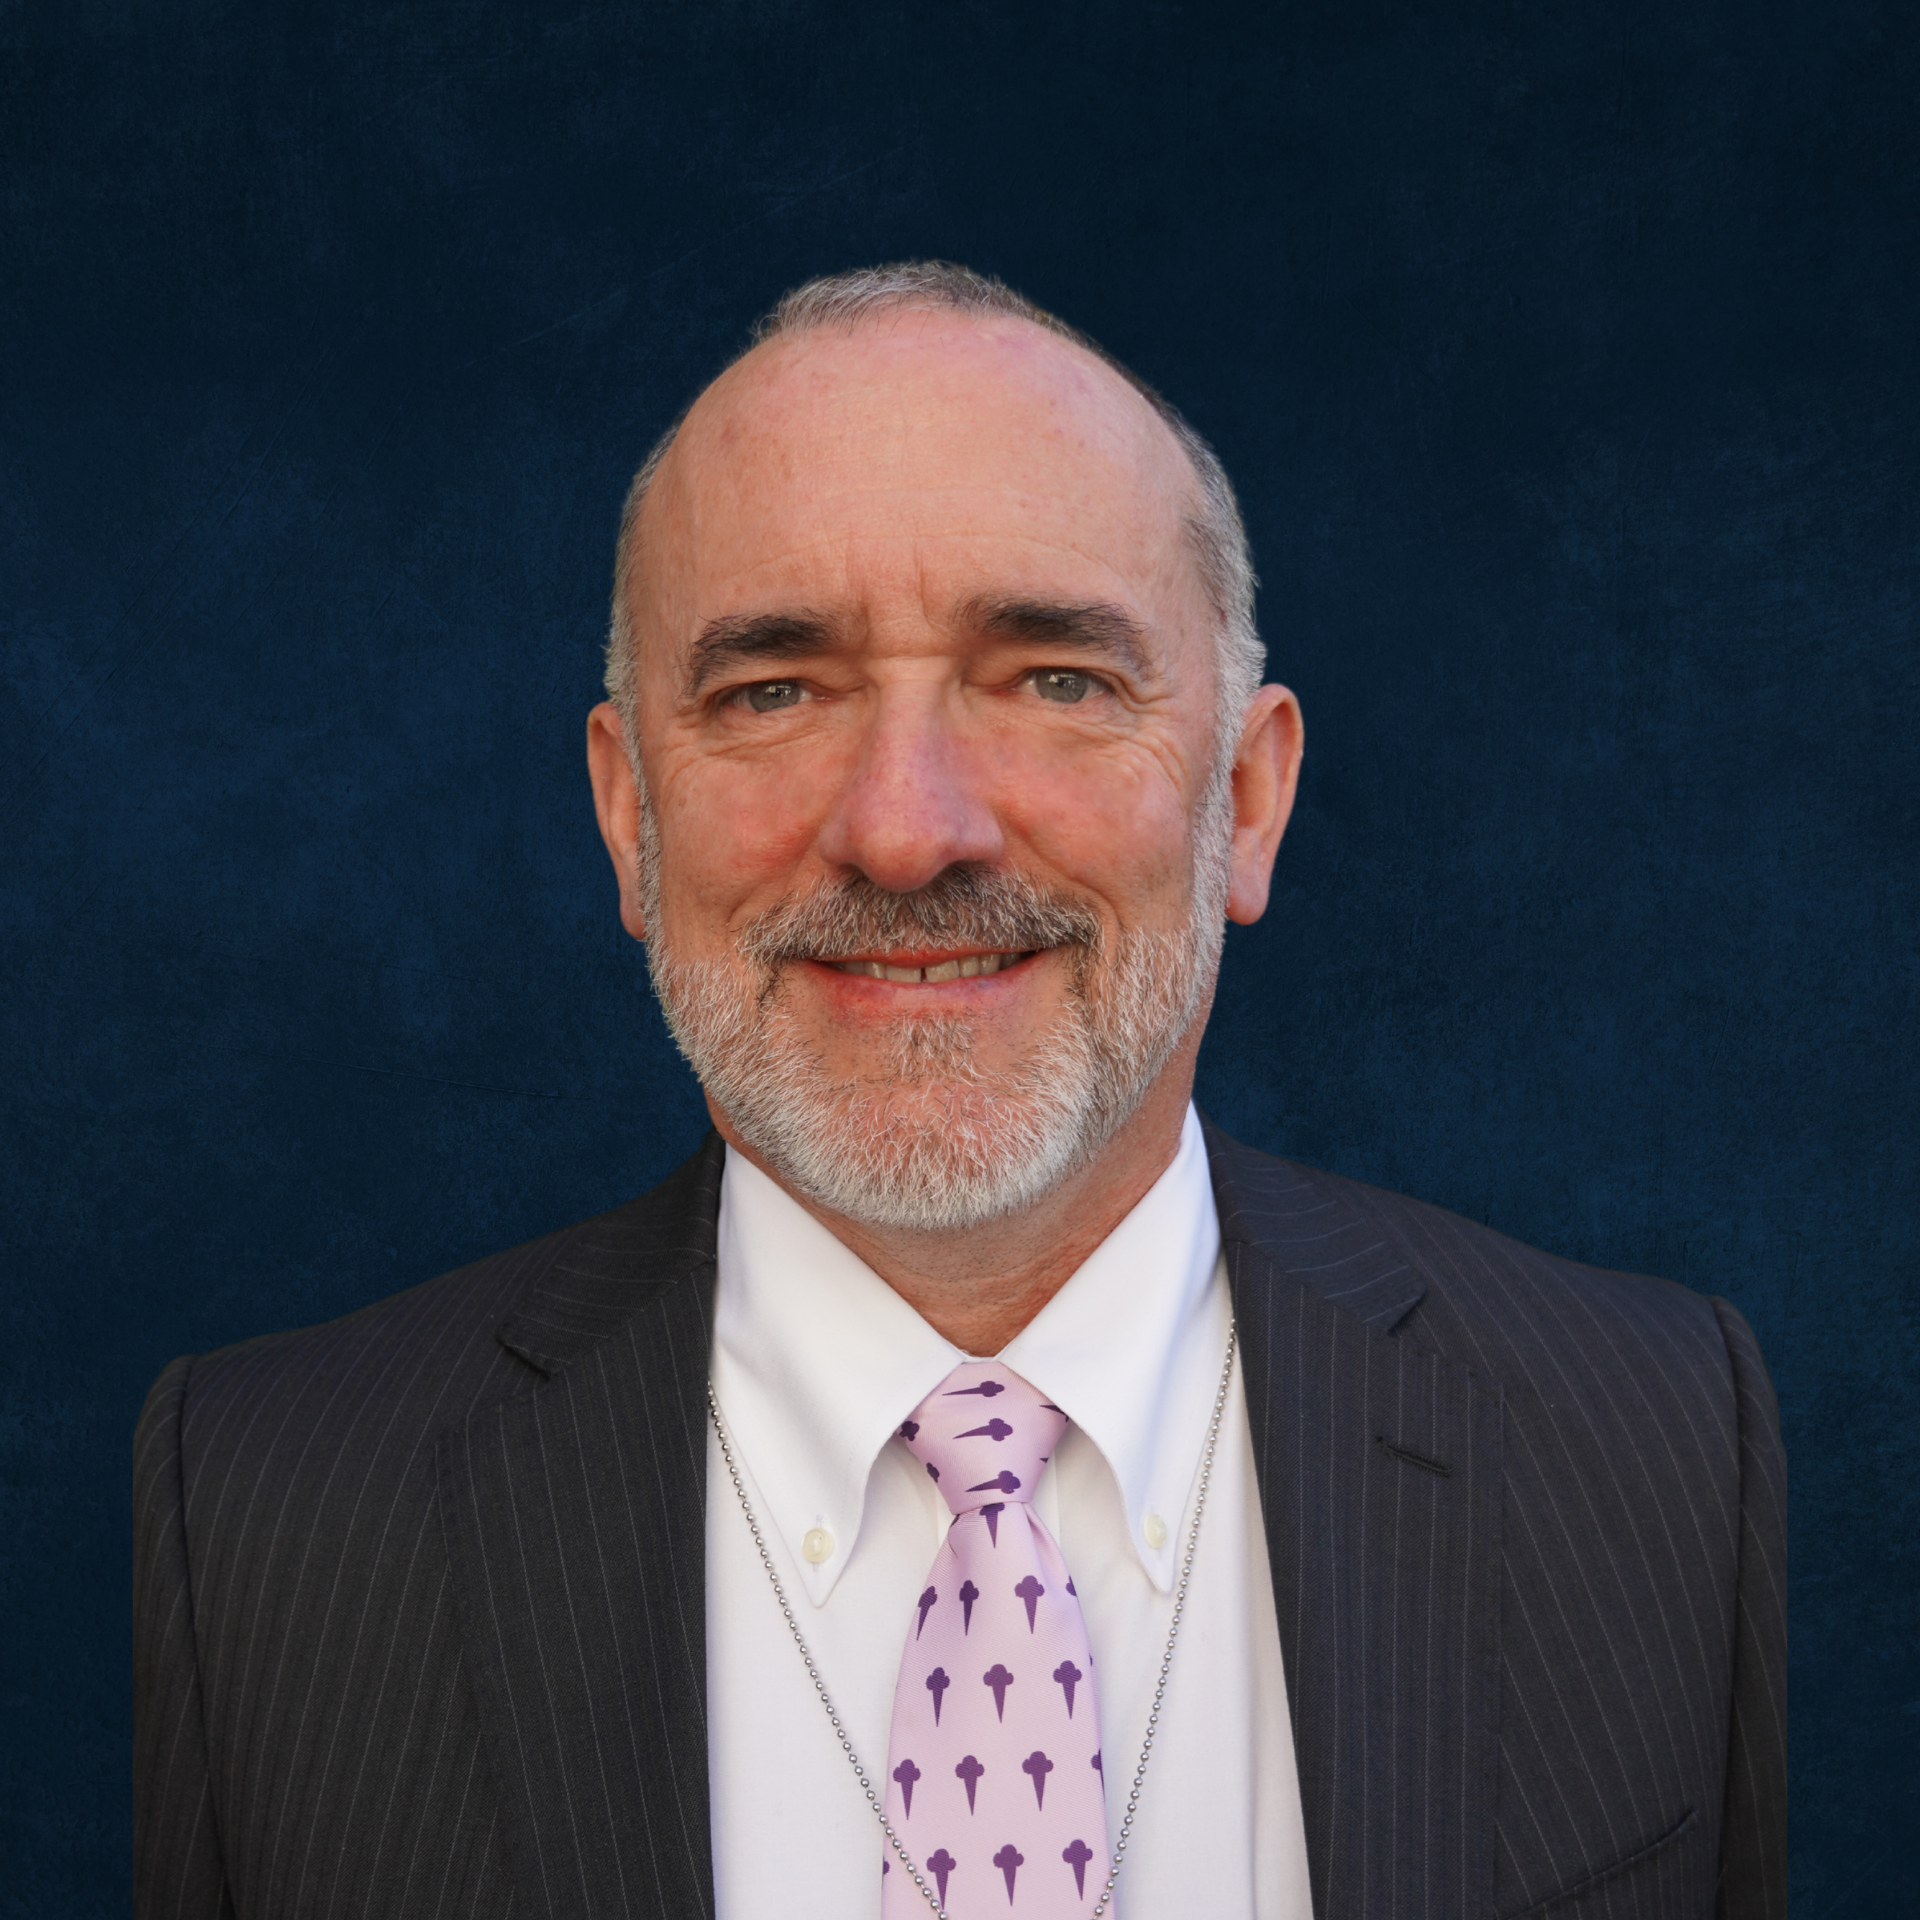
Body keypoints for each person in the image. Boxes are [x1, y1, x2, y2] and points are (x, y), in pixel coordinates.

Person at [133, 263, 1786, 1920]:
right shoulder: (268, 1524)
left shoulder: (1654, 1451)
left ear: (1251, 795)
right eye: (775, 691)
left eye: (1056, 678)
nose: (909, 829)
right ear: (631, 817)